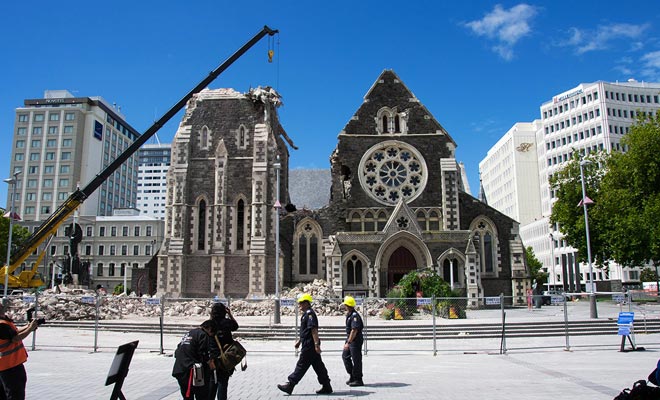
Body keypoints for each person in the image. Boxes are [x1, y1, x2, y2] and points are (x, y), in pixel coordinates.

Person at [277, 293, 332, 395]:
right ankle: (327, 385)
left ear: (307, 303)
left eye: (301, 303)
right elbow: (306, 331)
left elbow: (313, 330)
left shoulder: (310, 314)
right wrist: (299, 341)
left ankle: (290, 385)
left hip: (310, 346)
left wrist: (316, 344)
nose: (300, 305)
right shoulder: (306, 314)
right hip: (308, 343)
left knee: (301, 365)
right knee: (319, 366)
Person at [0, 300, 39, 400]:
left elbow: (14, 332)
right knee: (15, 395)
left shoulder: (3, 323)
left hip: (6, 366)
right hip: (10, 366)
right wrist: (30, 329)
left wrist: (29, 326)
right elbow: (15, 338)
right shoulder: (1, 325)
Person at [172, 320, 216, 400]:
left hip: (180, 369)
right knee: (201, 395)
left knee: (187, 396)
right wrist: (210, 363)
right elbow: (203, 354)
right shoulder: (203, 335)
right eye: (213, 333)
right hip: (191, 371)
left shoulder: (191, 333)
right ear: (209, 329)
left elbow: (178, 350)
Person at [208, 303, 239, 400]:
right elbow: (235, 326)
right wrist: (230, 314)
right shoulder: (227, 323)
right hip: (225, 357)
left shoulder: (209, 324)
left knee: (212, 382)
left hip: (212, 358)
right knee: (223, 383)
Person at [341, 296, 364, 387]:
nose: (344, 306)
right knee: (345, 356)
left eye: (345, 305)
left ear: (348, 305)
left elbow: (354, 330)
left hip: (355, 340)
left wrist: (348, 343)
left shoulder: (354, 316)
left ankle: (358, 379)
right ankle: (352, 375)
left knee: (356, 359)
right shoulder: (349, 314)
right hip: (350, 339)